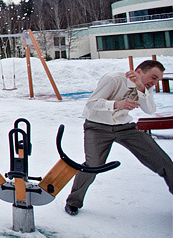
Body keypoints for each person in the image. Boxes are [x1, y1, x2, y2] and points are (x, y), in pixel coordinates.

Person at [64, 60, 172, 215]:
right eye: (153, 77)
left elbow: (150, 110)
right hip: (97, 127)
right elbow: (91, 104)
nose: (155, 83)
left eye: (158, 80)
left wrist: (141, 89)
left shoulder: (145, 86)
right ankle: (73, 201)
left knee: (162, 161)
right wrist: (116, 104)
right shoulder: (114, 79)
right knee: (93, 165)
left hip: (124, 127)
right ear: (139, 71)